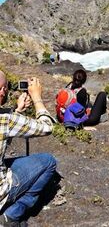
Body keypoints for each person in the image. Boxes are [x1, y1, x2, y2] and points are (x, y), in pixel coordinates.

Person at [0, 71, 56, 226]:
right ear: (3, 91)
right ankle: (11, 215)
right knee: (48, 161)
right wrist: (37, 98)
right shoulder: (6, 119)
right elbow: (47, 127)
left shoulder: (7, 120)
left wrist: (17, 111)